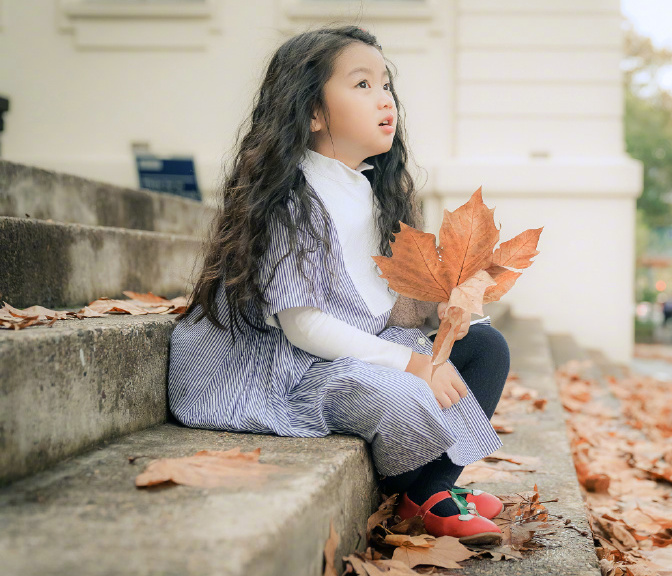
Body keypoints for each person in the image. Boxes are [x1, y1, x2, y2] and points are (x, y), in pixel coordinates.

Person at [168, 27, 509, 546]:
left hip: (353, 347)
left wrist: (452, 307)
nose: (385, 99)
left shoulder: (377, 197)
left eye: (386, 84)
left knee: (485, 348)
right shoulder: (293, 201)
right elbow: (304, 325)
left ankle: (431, 491)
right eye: (362, 85)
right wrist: (415, 364)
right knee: (404, 395)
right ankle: (432, 495)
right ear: (313, 113)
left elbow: (393, 309)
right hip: (285, 364)